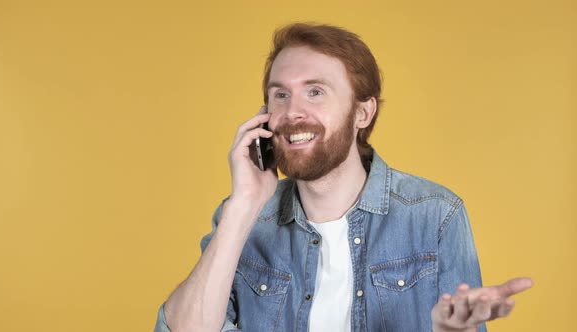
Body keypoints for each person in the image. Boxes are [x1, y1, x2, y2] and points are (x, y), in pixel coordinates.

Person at [154, 23, 532, 332]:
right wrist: (244, 205)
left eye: (315, 91)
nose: (292, 112)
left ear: (362, 113)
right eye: (280, 95)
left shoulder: (435, 215)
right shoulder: (243, 219)